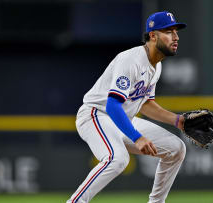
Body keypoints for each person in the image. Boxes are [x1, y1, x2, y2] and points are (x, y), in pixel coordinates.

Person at [67, 11, 187, 203]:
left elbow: (146, 104)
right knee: (118, 159)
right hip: (96, 115)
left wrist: (178, 121)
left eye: (176, 31)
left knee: (176, 148)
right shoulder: (131, 60)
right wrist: (137, 137)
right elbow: (113, 104)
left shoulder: (156, 65)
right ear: (153, 36)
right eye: (169, 31)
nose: (176, 36)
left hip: (122, 119)